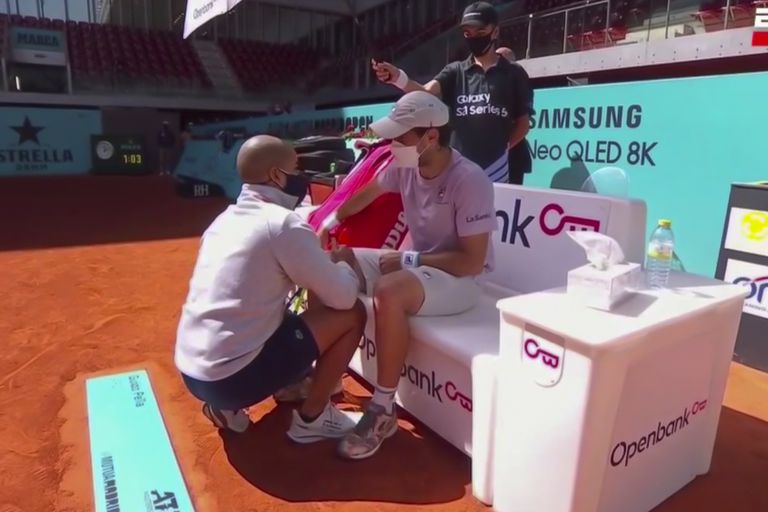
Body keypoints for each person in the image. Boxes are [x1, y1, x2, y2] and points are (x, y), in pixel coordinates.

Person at [319, 92, 497, 459]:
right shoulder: (405, 165)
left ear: (430, 137)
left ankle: (383, 409)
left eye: (400, 137)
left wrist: (411, 259)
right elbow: (369, 192)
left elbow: (472, 262)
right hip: (419, 266)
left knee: (389, 289)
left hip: (460, 281)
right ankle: (327, 378)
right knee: (334, 263)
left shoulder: (470, 180)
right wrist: (331, 219)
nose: (392, 143)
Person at [175, 135, 368, 443]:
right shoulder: (282, 224)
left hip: (194, 375)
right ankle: (313, 418)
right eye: (295, 168)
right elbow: (343, 298)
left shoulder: (222, 221)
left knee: (292, 315)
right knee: (353, 314)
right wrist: (344, 263)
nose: (300, 176)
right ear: (278, 175)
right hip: (230, 380)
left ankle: (228, 408)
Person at [371, 1, 533, 184]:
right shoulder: (455, 71)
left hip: (496, 173)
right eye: (467, 33)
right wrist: (397, 77)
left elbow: (523, 124)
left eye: (480, 32)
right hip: (458, 171)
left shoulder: (514, 73)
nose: (473, 38)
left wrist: (502, 152)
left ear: (495, 31)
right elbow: (425, 93)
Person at [496, 46, 534, 185]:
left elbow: (523, 125)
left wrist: (500, 151)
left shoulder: (520, 84)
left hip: (513, 156)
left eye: (499, 59)